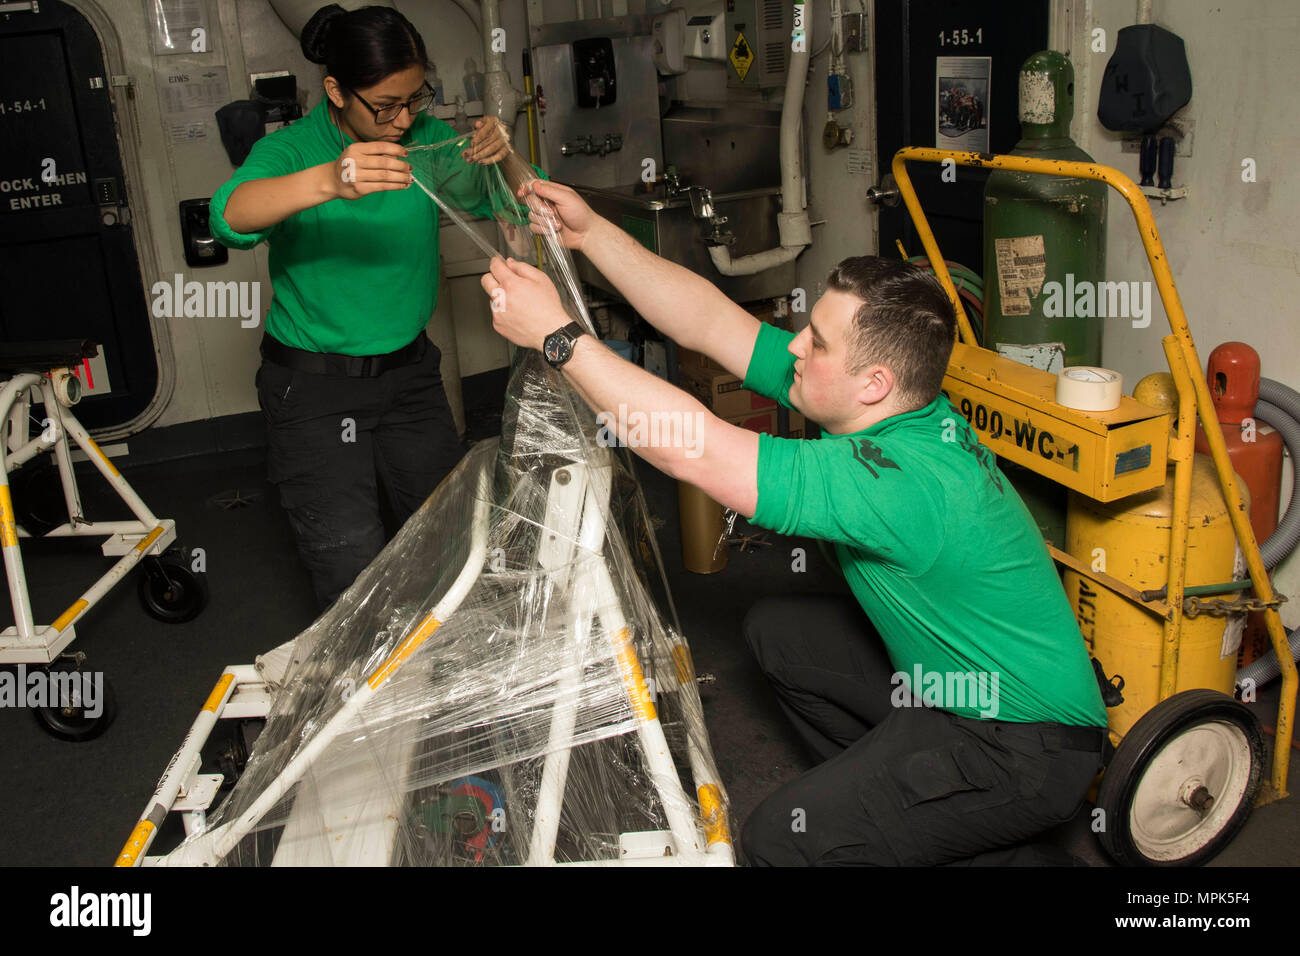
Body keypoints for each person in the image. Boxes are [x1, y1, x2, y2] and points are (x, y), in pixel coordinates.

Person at [479, 179, 1110, 866]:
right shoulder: (890, 404)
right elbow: (713, 323)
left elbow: (694, 447)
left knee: (780, 840)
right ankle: (910, 825)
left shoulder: (895, 483)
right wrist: (592, 232)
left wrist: (558, 339)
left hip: (1024, 746)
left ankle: (949, 832)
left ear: (872, 383)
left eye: (818, 343)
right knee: (779, 635)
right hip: (953, 687)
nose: (796, 346)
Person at [209, 4, 514, 611]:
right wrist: (329, 180)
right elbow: (229, 215)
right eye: (384, 106)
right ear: (335, 92)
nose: (403, 120)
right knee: (353, 574)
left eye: (414, 99)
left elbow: (507, 202)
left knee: (453, 542)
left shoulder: (424, 141)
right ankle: (365, 696)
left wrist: (500, 154)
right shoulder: (295, 149)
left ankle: (449, 691)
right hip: (314, 390)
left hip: (409, 378)